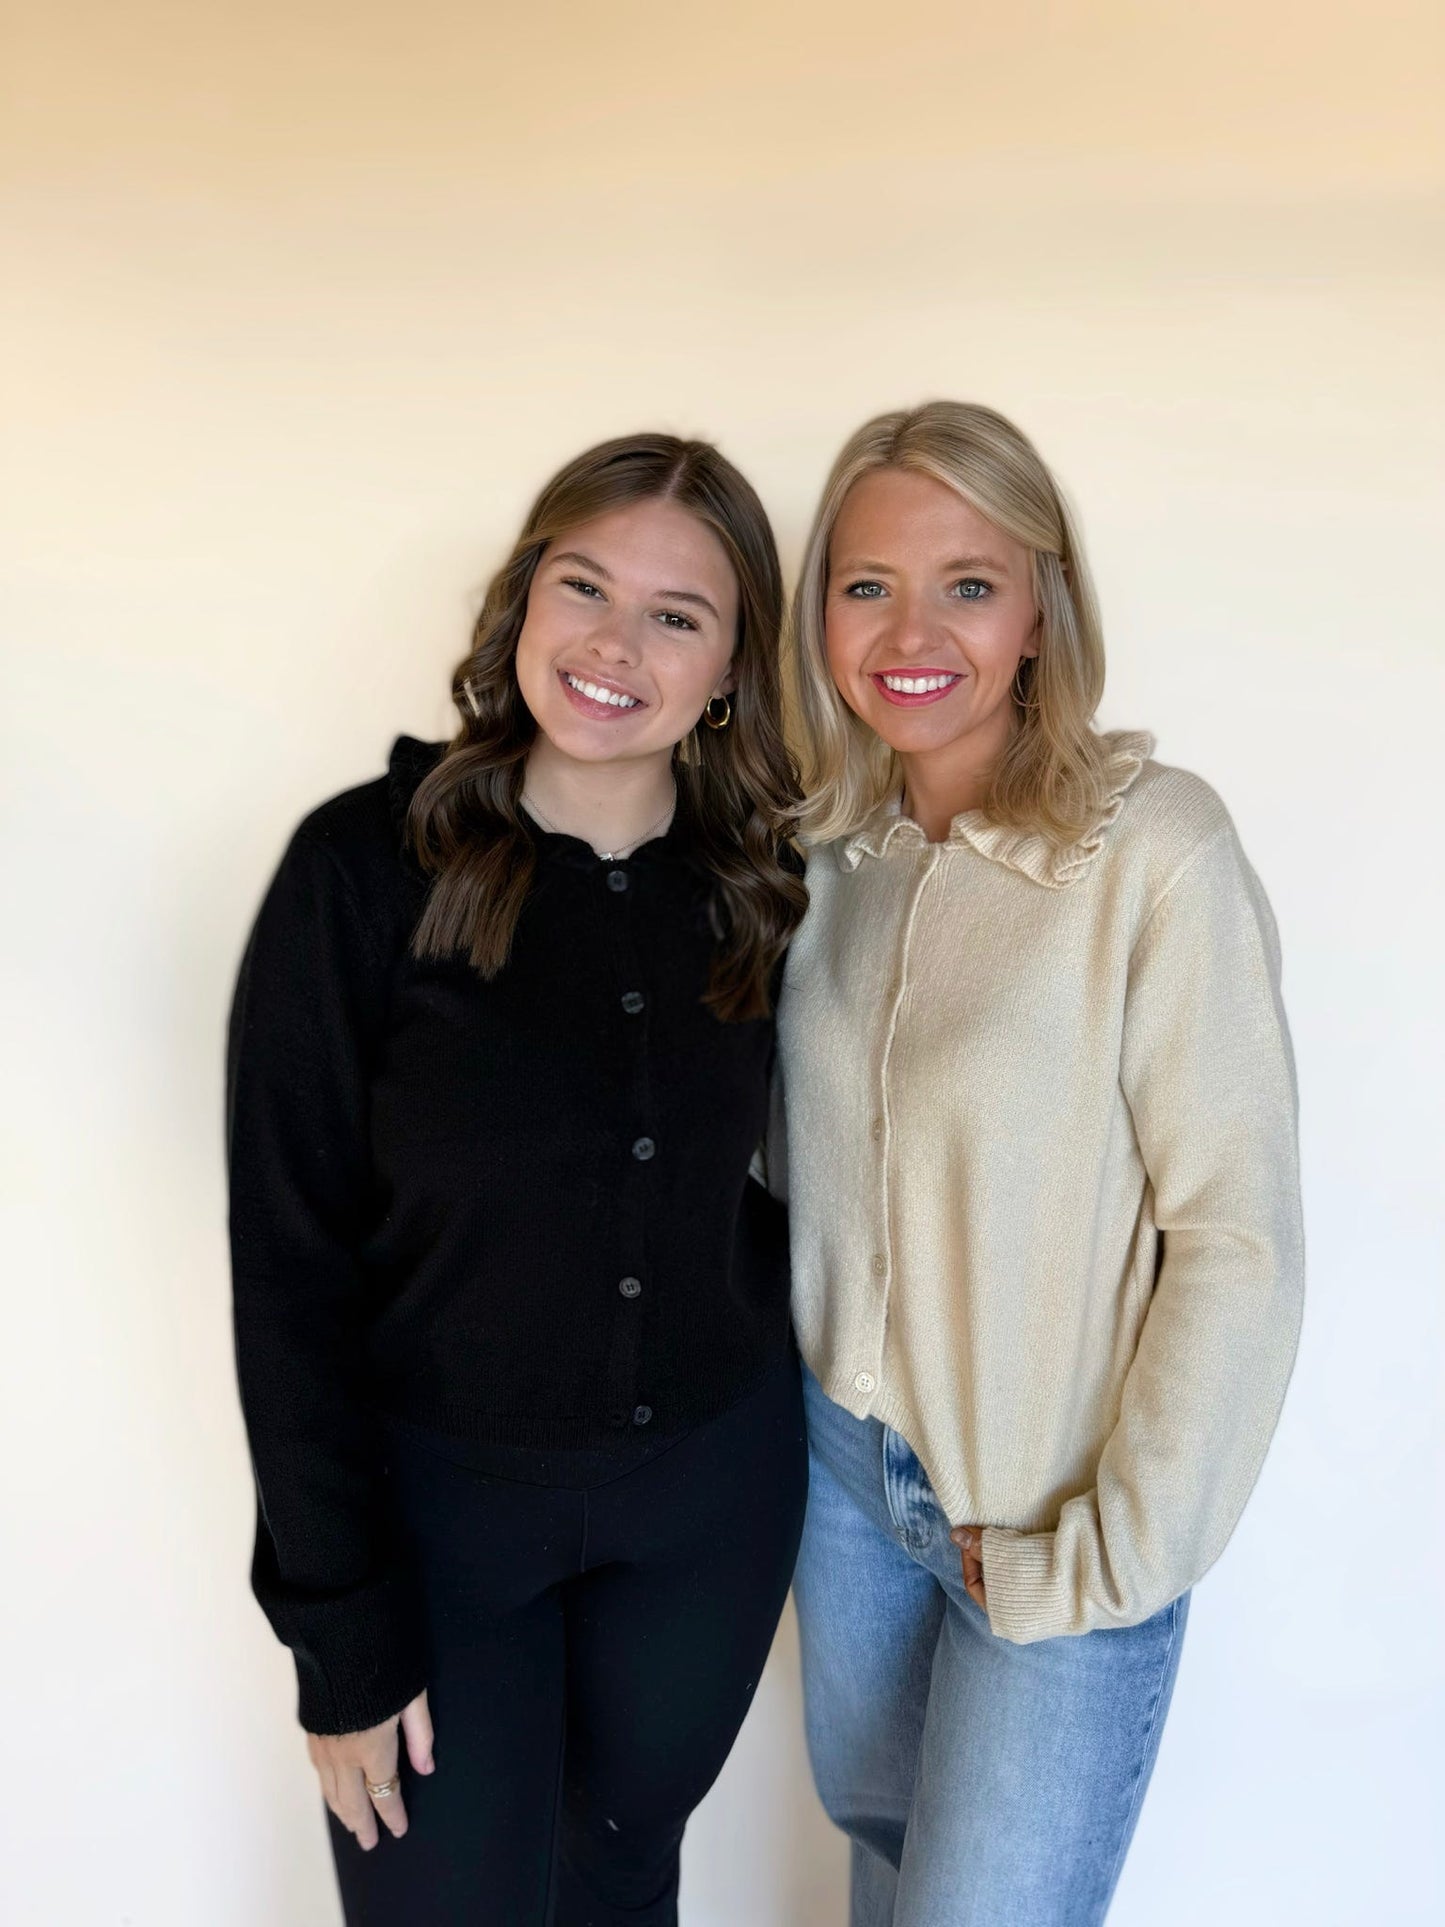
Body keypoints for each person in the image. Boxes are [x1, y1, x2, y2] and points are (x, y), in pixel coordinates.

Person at [226, 432, 809, 1926]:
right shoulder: (362, 871)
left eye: (676, 615)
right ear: (523, 599)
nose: (615, 645)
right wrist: (339, 1637)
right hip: (439, 1527)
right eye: (584, 586)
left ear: (731, 669)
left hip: (706, 1514)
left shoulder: (767, 890)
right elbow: (288, 1270)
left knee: (619, 1883)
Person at [774, 400, 1305, 1925]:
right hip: (843, 1492)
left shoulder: (1153, 853)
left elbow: (1235, 1240)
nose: (910, 632)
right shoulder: (826, 860)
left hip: (1052, 1523)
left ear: (1039, 610)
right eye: (866, 585)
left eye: (968, 583)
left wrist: (1110, 1559)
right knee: (882, 1878)